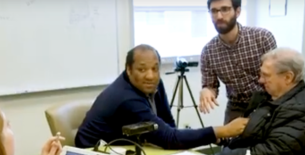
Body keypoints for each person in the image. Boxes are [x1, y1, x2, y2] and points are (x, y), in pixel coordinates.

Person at [75, 44, 249, 149]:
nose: (150, 75)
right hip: (94, 154)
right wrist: (222, 130)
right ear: (128, 70)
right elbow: (168, 138)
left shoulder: (155, 84)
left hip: (128, 147)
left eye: (155, 68)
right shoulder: (127, 99)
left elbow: (168, 125)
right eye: (142, 69)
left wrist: (178, 143)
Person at [216, 48, 305, 155]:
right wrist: (223, 140)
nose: (260, 80)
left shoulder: (299, 108)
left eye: (266, 75)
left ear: (288, 77)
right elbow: (253, 135)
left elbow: (275, 151)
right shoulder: (271, 97)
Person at [200, 0, 278, 124]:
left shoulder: (262, 37)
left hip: (267, 100)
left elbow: (278, 75)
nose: (219, 16)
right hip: (236, 105)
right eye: (214, 11)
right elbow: (210, 85)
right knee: (230, 143)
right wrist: (206, 91)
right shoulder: (208, 51)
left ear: (237, 11)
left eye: (225, 9)